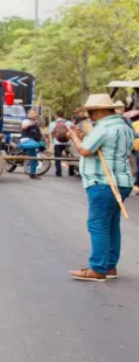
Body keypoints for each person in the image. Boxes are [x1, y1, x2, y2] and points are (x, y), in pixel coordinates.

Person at [66, 94, 134, 282]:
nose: (90, 116)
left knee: (98, 225)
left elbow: (85, 151)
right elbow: (103, 148)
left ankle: (97, 268)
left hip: (103, 181)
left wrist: (74, 137)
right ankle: (109, 265)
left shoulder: (103, 127)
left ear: (102, 110)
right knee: (111, 225)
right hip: (122, 181)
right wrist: (84, 137)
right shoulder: (125, 127)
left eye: (92, 112)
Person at [19, 109, 44, 179]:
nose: (35, 114)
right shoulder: (26, 120)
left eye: (35, 113)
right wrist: (31, 124)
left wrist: (43, 137)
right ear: (29, 114)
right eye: (33, 113)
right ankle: (20, 146)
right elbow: (23, 127)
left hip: (33, 140)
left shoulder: (35, 122)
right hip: (27, 140)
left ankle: (32, 173)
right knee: (35, 151)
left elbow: (38, 131)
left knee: (34, 157)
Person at [50, 110, 74, 177]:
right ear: (63, 115)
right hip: (68, 143)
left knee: (57, 158)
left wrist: (52, 142)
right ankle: (71, 172)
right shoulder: (69, 123)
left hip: (57, 143)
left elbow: (52, 134)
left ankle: (59, 172)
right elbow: (72, 132)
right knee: (70, 158)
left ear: (56, 115)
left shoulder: (53, 123)